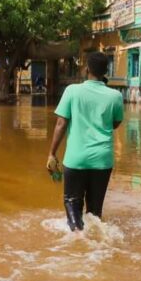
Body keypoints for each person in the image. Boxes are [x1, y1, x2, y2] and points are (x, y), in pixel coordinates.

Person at [47, 52, 124, 232]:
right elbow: (116, 123)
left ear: (87, 69)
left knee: (72, 203)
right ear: (106, 71)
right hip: (102, 161)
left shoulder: (72, 91)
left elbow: (61, 123)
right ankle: (95, 242)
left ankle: (77, 237)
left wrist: (52, 153)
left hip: (76, 159)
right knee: (95, 211)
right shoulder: (115, 96)